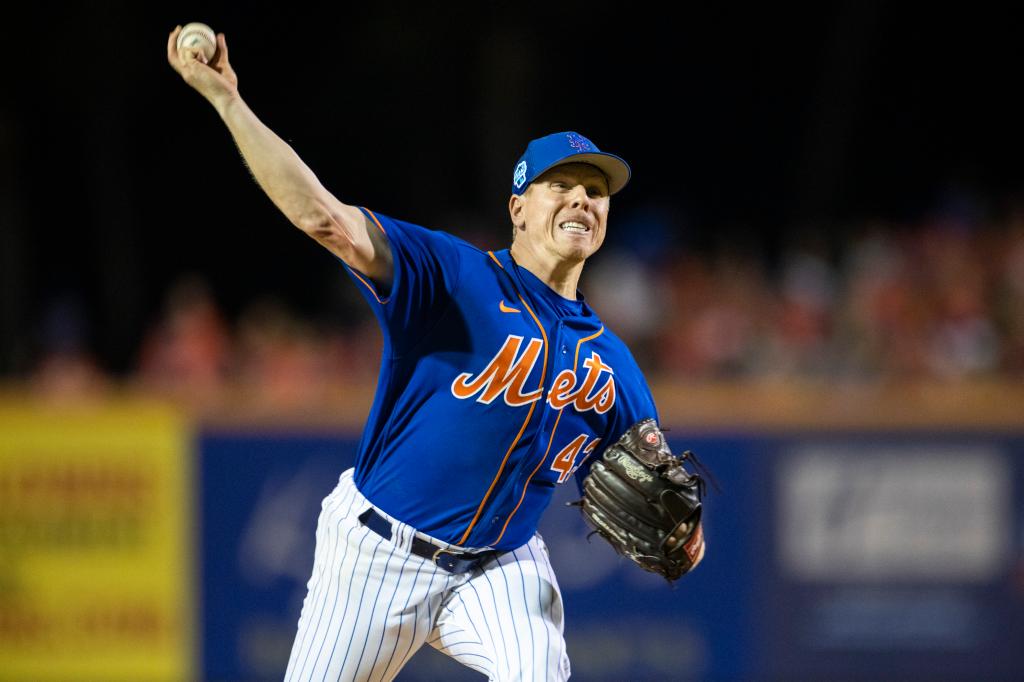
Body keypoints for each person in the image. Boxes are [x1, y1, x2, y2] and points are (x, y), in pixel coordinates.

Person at [168, 25, 665, 682]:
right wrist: (230, 102)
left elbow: (662, 489)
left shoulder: (612, 366)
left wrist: (683, 538)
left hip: (499, 567)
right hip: (375, 555)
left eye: (595, 191)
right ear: (518, 207)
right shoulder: (454, 276)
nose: (582, 198)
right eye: (562, 184)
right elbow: (324, 217)